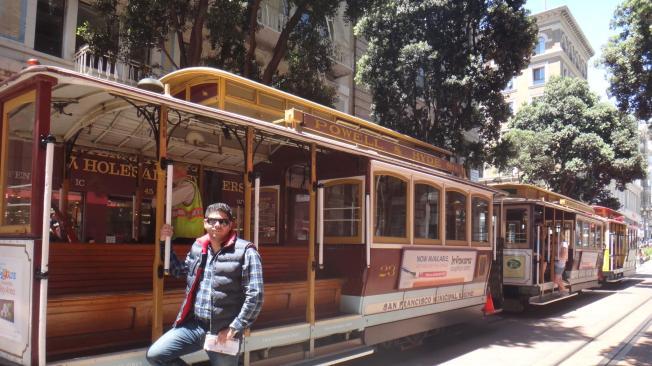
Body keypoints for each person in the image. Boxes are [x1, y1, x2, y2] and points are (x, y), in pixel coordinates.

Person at [146, 203, 264, 365]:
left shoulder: (246, 251)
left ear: (231, 225)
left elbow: (255, 295)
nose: (217, 225)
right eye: (212, 220)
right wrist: (164, 242)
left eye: (223, 221)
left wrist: (235, 327)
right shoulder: (198, 247)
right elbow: (179, 270)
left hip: (223, 330)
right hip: (194, 326)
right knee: (156, 355)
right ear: (204, 222)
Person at [170, 164, 205, 241]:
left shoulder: (187, 186)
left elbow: (164, 201)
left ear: (177, 172)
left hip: (188, 238)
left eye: (170, 171)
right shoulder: (180, 187)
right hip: (184, 237)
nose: (168, 174)